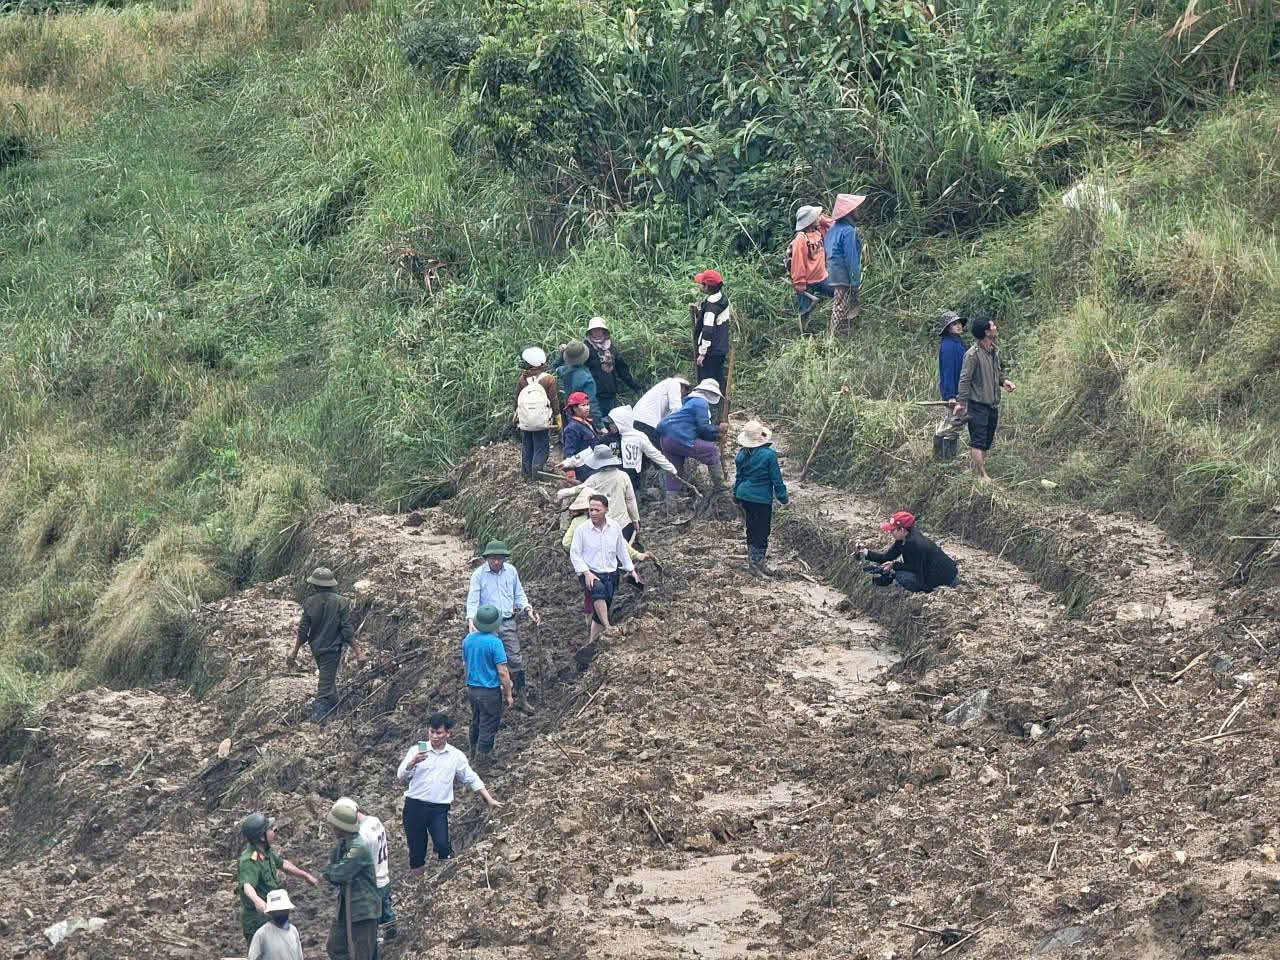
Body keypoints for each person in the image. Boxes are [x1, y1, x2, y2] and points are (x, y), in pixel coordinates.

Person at [396, 712, 501, 876]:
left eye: (439, 733)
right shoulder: (416, 750)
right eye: (431, 732)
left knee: (443, 845)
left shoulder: (455, 756)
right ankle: (419, 886)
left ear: (448, 734)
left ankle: (447, 879)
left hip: (439, 808)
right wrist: (412, 763)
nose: (434, 736)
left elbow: (470, 777)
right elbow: (401, 776)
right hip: (414, 805)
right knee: (416, 851)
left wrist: (488, 798)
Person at [465, 541, 541, 714]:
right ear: (487, 558)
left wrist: (527, 609)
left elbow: (519, 594)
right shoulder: (479, 575)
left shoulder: (511, 571)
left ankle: (521, 698)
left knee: (515, 659)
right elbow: (473, 599)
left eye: (500, 559)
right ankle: (495, 698)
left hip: (507, 621)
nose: (497, 562)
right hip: (486, 624)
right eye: (493, 559)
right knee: (491, 662)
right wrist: (471, 619)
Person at [569, 494, 642, 643]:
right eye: (591, 510)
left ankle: (591, 644)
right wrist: (586, 573)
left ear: (606, 510)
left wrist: (631, 569)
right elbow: (574, 553)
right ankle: (609, 627)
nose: (593, 513)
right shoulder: (582, 530)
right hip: (590, 572)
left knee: (600, 609)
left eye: (597, 510)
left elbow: (621, 549)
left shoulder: (614, 527)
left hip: (610, 572)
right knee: (598, 591)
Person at [287, 567, 357, 723]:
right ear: (331, 585)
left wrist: (294, 652)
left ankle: (334, 709)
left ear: (315, 586)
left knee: (327, 680)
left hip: (317, 649)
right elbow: (346, 630)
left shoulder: (310, 603)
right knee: (325, 684)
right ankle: (318, 719)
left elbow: (303, 631)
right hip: (332, 650)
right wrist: (358, 651)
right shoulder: (342, 602)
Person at [238, 813, 319, 946]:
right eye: (270, 829)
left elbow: (283, 864)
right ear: (261, 837)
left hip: (272, 913)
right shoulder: (249, 860)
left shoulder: (266, 851)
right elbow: (247, 885)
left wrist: (305, 875)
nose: (274, 831)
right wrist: (258, 901)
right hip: (258, 919)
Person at [953, 317, 1015, 479]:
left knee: (986, 441)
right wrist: (961, 403)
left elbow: (997, 372)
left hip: (992, 404)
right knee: (978, 441)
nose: (996, 326)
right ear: (987, 332)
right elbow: (965, 380)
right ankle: (982, 477)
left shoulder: (993, 350)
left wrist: (1004, 381)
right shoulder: (972, 355)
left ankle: (978, 471)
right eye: (993, 325)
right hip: (977, 405)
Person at [321, 798, 379, 960]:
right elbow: (333, 870)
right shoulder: (344, 844)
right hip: (346, 907)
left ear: (340, 827)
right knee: (335, 946)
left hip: (363, 909)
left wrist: (330, 870)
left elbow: (338, 874)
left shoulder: (358, 847)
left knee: (362, 953)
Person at [733, 420, 789, 578]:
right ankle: (758, 563)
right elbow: (776, 480)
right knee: (763, 530)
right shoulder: (769, 455)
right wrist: (783, 498)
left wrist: (735, 494)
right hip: (761, 498)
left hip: (744, 495)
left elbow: (739, 477)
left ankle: (754, 562)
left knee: (751, 527)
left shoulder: (741, 455)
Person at [657, 378, 724, 511]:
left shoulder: (689, 402)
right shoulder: (700, 403)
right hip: (679, 438)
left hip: (666, 438)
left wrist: (716, 434)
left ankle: (672, 508)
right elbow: (703, 427)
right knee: (711, 450)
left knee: (673, 471)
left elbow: (698, 430)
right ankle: (720, 486)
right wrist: (718, 429)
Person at [462, 604, 514, 770]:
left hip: (472, 689)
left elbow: (466, 664)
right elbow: (503, 672)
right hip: (489, 692)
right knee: (489, 724)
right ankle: (482, 762)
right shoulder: (495, 643)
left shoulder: (468, 639)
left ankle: (473, 753)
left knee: (476, 720)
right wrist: (508, 694)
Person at [857, 511, 958, 593]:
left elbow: (916, 568)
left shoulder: (914, 544)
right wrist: (865, 553)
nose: (890, 532)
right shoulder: (903, 538)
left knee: (901, 576)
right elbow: (887, 557)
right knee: (896, 570)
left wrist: (893, 566)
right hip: (928, 568)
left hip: (943, 577)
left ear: (901, 529)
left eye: (892, 530)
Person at [557, 444, 641, 542]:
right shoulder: (623, 476)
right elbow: (630, 500)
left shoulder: (594, 479)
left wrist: (561, 493)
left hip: (602, 526)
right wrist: (635, 520)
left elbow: (577, 490)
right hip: (622, 525)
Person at [601, 405, 677, 492]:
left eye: (611, 423)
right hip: (613, 481)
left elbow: (654, 454)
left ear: (621, 423)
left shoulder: (639, 437)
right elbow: (596, 455)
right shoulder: (608, 439)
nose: (609, 426)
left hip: (633, 481)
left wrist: (671, 469)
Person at [514, 346, 561, 481]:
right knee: (541, 445)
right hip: (541, 420)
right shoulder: (549, 379)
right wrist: (558, 418)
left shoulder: (522, 379)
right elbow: (554, 401)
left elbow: (517, 399)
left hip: (525, 420)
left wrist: (516, 416)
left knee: (527, 444)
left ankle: (525, 473)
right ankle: (537, 473)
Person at [584, 316, 643, 419]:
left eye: (599, 330)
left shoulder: (610, 347)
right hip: (593, 396)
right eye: (594, 330)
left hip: (610, 393)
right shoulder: (585, 348)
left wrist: (635, 386)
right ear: (590, 332)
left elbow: (622, 370)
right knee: (598, 424)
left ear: (604, 331)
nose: (597, 332)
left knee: (611, 423)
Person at [824, 193, 865, 333]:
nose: (858, 211)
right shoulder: (848, 232)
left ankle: (842, 333)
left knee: (841, 303)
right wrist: (855, 281)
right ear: (850, 212)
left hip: (833, 271)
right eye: (856, 208)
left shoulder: (832, 229)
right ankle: (832, 337)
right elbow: (852, 258)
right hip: (843, 273)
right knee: (841, 304)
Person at [690, 269, 730, 409]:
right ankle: (721, 406)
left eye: (702, 284)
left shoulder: (711, 308)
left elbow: (707, 330)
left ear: (708, 287)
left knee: (707, 380)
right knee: (717, 376)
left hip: (711, 350)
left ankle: (708, 408)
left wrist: (702, 353)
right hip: (721, 347)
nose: (700, 286)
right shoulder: (722, 299)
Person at [355, 805, 395, 943]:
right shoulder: (375, 821)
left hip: (372, 883)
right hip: (384, 874)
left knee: (372, 917)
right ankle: (392, 938)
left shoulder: (361, 833)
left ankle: (374, 944)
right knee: (387, 911)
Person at [790, 204, 834, 319]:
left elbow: (833, 226)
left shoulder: (819, 232)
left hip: (823, 277)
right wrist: (799, 282)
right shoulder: (801, 239)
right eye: (816, 216)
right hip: (807, 282)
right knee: (805, 312)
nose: (819, 217)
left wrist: (823, 220)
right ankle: (803, 333)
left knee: (841, 294)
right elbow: (798, 262)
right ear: (810, 221)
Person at [934, 310, 968, 459]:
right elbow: (947, 372)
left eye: (959, 322)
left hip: (962, 390)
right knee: (956, 424)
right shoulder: (948, 346)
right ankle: (945, 463)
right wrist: (950, 395)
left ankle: (943, 461)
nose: (958, 326)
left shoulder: (958, 342)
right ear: (947, 328)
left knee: (955, 423)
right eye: (954, 324)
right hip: (955, 392)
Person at [553, 341, 602, 428]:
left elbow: (555, 366)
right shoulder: (586, 378)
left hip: (570, 411)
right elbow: (591, 402)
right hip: (583, 417)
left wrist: (562, 355)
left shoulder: (564, 370)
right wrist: (600, 425)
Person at [632, 375, 690, 446]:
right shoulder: (674, 383)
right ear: (683, 387)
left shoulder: (663, 387)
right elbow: (676, 408)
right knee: (657, 454)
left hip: (637, 421)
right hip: (646, 423)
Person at [247, 889, 303, 960]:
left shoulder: (293, 931)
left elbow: (299, 957)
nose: (280, 913)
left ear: (288, 910)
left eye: (282, 910)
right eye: (277, 911)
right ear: (270, 913)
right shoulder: (262, 934)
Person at [560, 391, 598, 482]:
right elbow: (568, 452)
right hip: (583, 470)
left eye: (588, 405)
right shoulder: (572, 429)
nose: (587, 408)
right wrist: (570, 472)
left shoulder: (588, 423)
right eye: (583, 405)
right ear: (574, 408)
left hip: (594, 465)